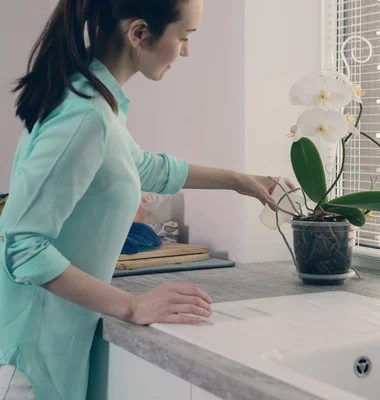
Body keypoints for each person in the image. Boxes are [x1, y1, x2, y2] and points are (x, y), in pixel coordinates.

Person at [0, 1, 284, 399]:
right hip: (29, 362)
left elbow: (141, 167)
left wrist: (240, 181)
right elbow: (22, 247)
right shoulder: (84, 115)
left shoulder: (96, 101)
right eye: (183, 37)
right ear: (138, 33)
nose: (186, 52)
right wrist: (133, 305)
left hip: (52, 347)